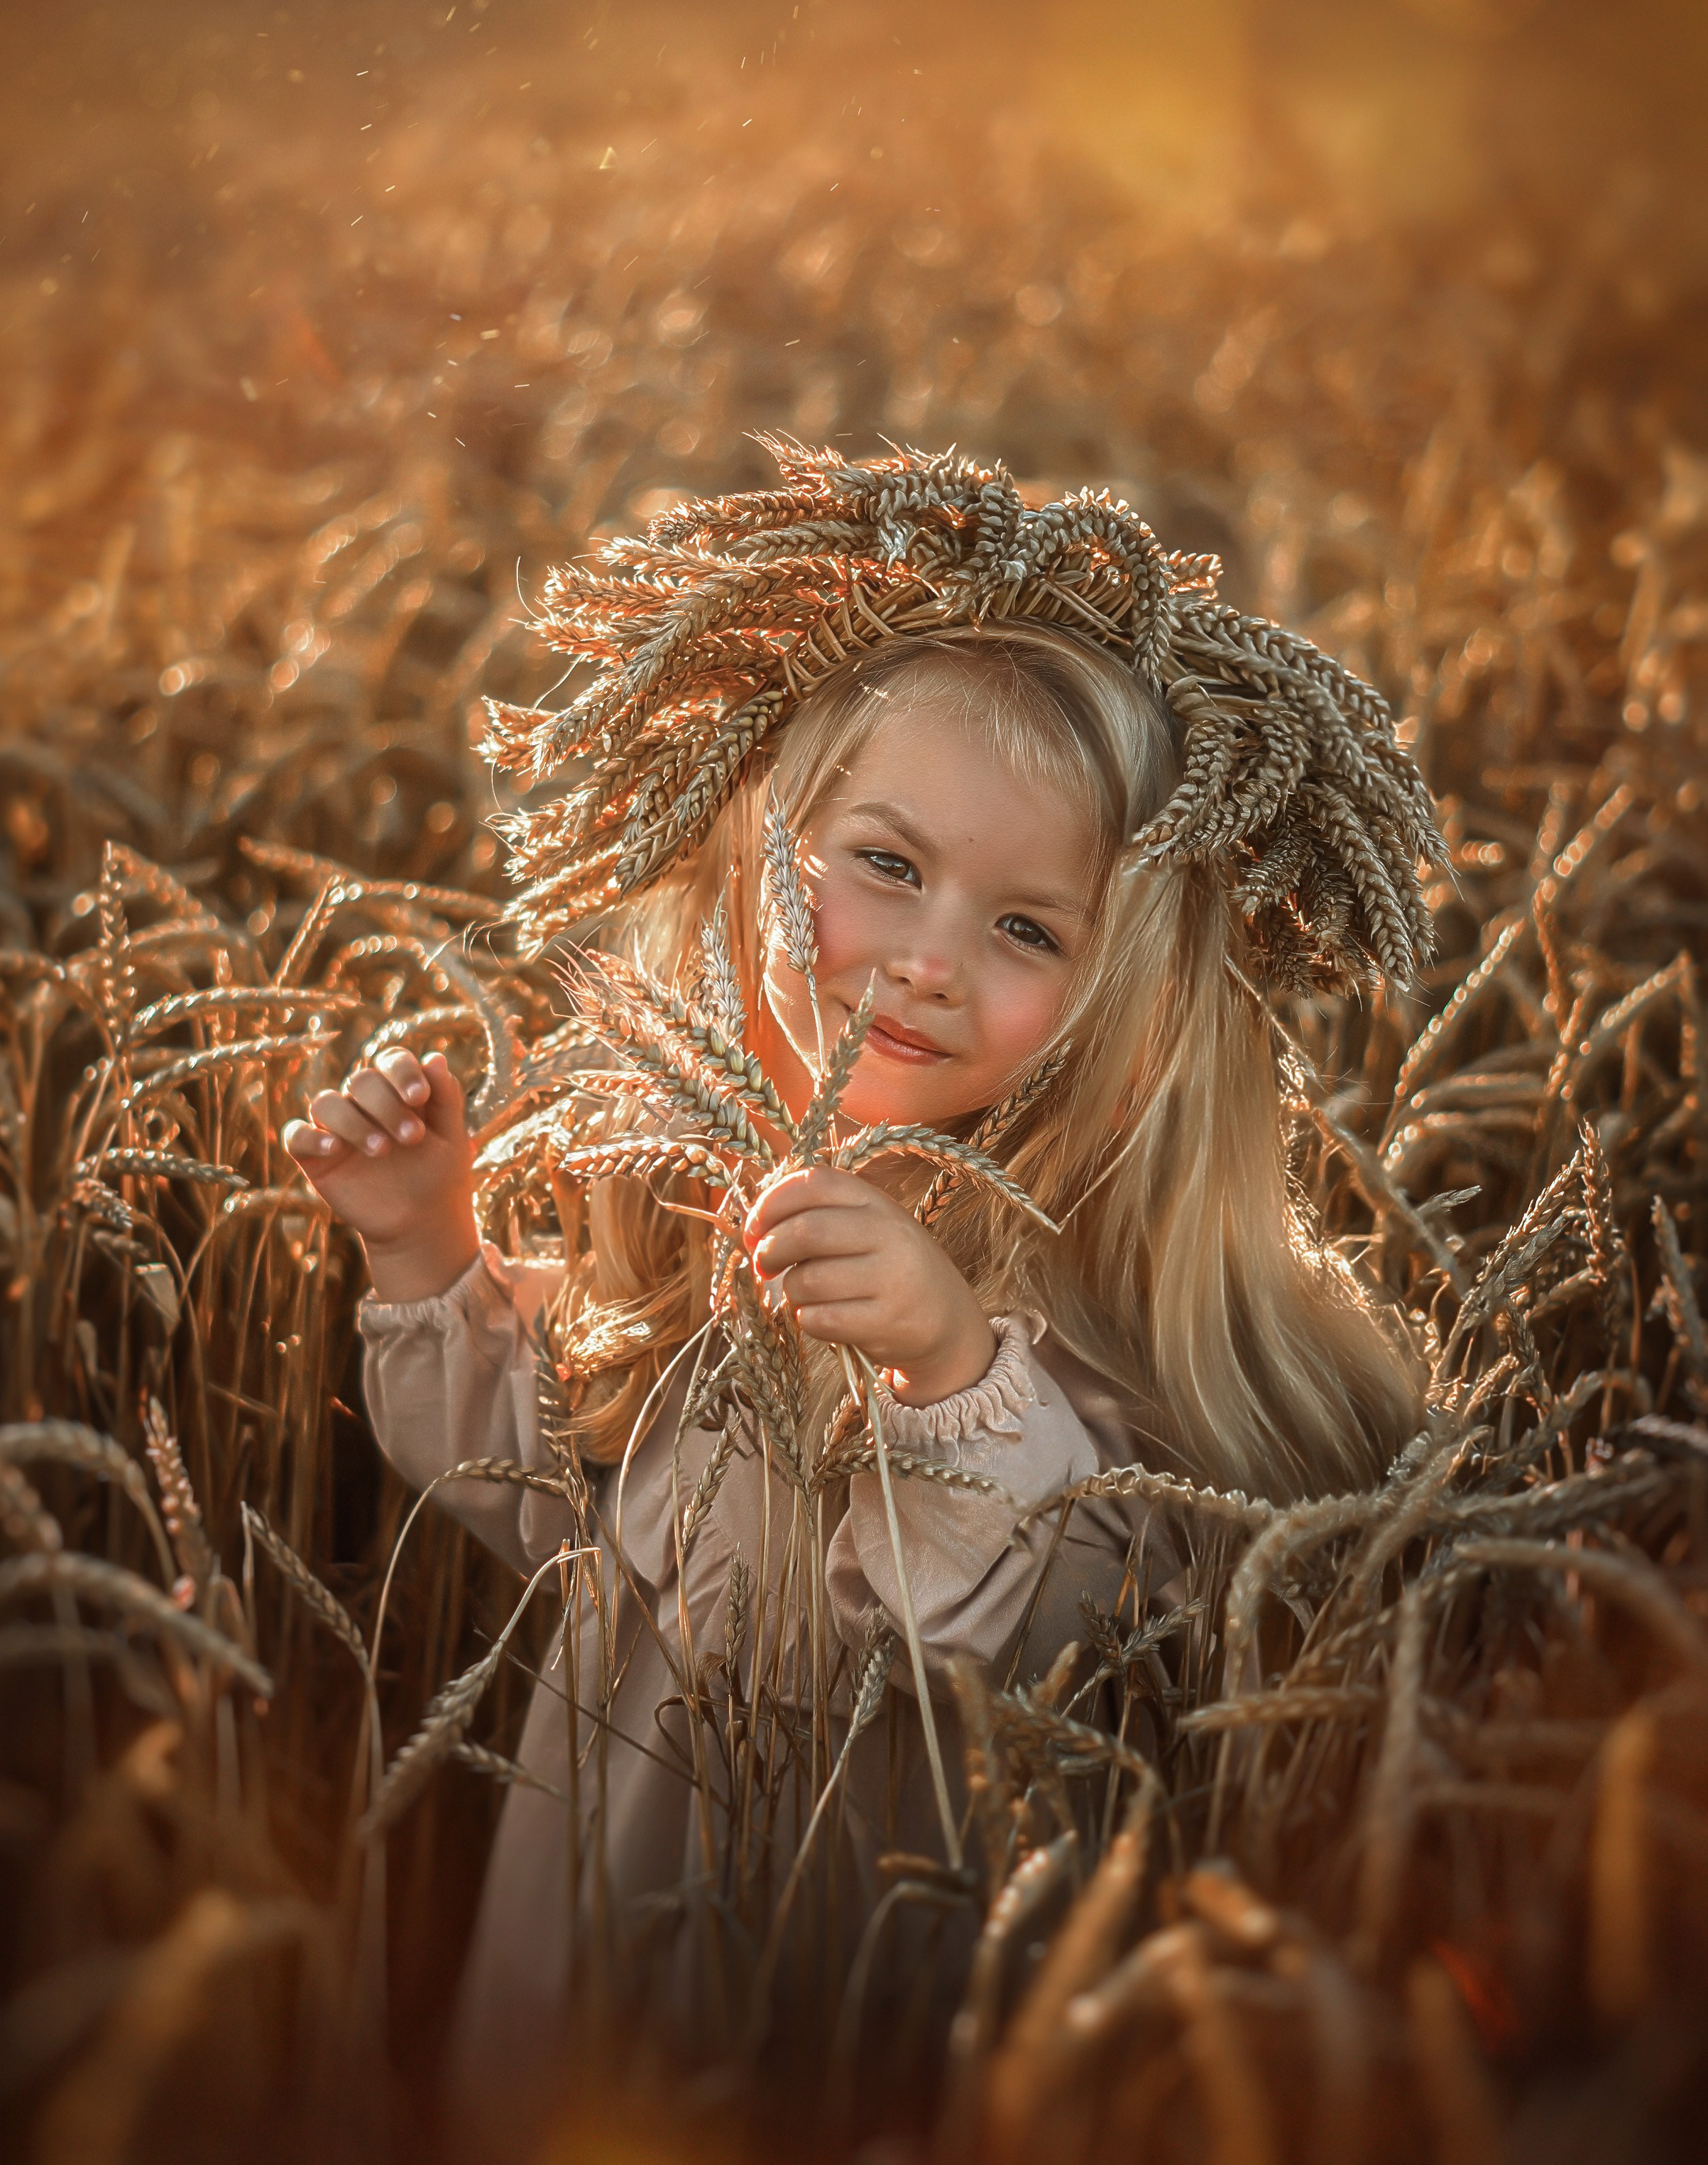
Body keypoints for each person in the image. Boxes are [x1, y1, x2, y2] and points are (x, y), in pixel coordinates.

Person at [283, 441, 1438, 2143]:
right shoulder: (687, 1210)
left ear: (1117, 998)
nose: (924, 957)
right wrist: (423, 1246)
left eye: (1027, 930)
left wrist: (949, 1367)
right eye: (884, 865)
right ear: (761, 843)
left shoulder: (1084, 1316)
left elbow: (1051, 1635)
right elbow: (542, 1497)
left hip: (870, 1987)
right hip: (600, 1941)